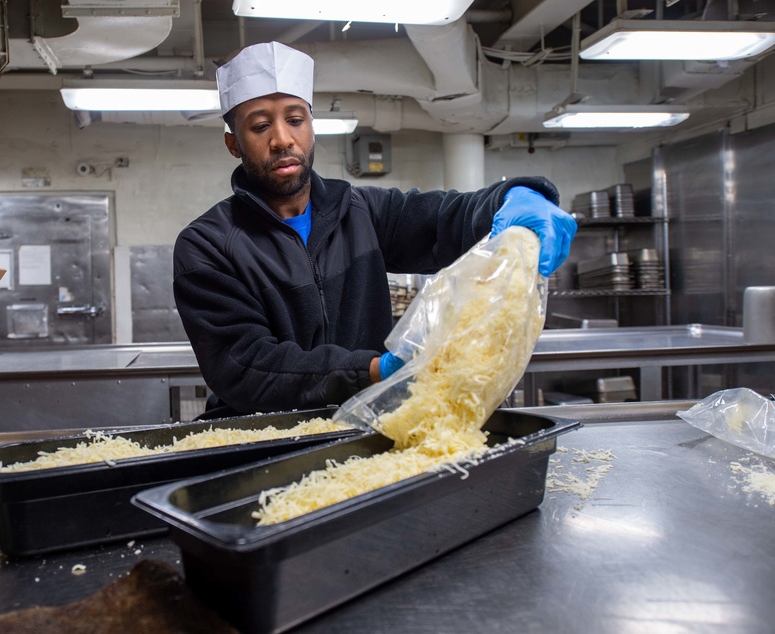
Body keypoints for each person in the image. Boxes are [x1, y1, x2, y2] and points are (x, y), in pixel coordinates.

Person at [173, 42, 576, 418]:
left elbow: (447, 218)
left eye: (295, 120)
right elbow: (246, 367)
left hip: (364, 426)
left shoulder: (361, 211)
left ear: (311, 127)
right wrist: (374, 370)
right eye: (260, 126)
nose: (282, 139)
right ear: (233, 143)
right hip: (259, 438)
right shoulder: (208, 246)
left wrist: (517, 197)